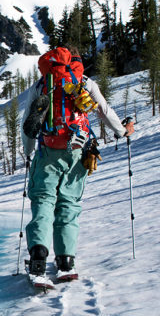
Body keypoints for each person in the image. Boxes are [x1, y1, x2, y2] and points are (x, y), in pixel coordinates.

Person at [21, 45, 134, 284]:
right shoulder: (85, 82)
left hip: (47, 150)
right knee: (69, 204)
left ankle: (39, 257)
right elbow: (104, 110)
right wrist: (123, 131)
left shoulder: (42, 84)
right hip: (78, 151)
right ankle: (65, 261)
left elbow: (28, 123)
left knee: (43, 201)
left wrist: (28, 152)